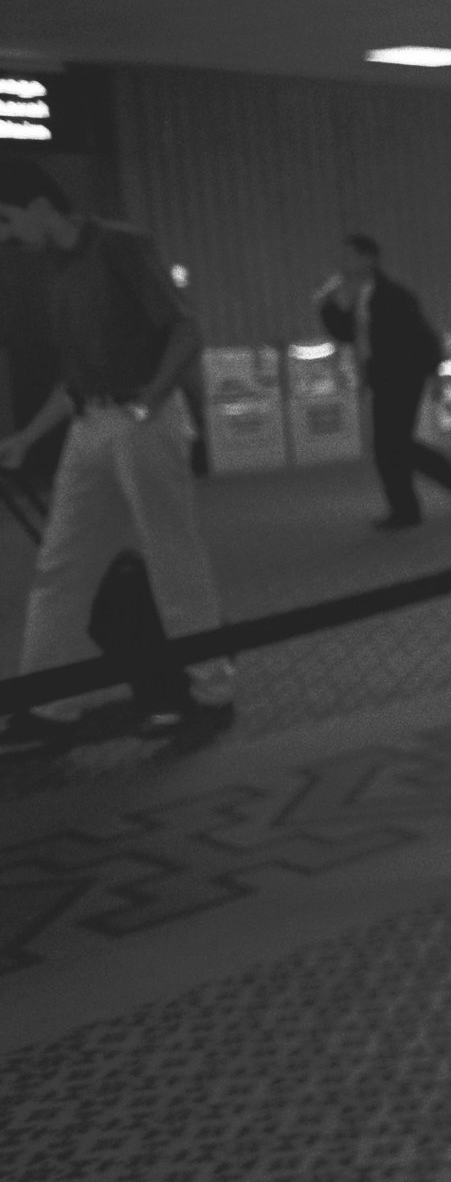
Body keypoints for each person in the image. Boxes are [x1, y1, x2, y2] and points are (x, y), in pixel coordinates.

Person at [0, 161, 235, 749]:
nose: (6, 234)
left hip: (141, 419)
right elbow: (74, 374)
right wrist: (29, 437)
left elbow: (185, 330)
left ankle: (211, 690)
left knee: (171, 555)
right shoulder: (56, 269)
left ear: (38, 206)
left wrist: (146, 404)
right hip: (89, 423)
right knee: (61, 566)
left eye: (5, 219)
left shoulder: (120, 247)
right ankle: (43, 706)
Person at [317, 235, 451, 529]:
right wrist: (326, 306)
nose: (344, 263)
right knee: (395, 445)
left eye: (351, 256)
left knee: (388, 446)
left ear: (370, 259)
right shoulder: (361, 296)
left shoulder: (393, 295)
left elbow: (424, 336)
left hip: (403, 377)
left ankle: (407, 511)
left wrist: (434, 375)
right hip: (383, 378)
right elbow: (347, 333)